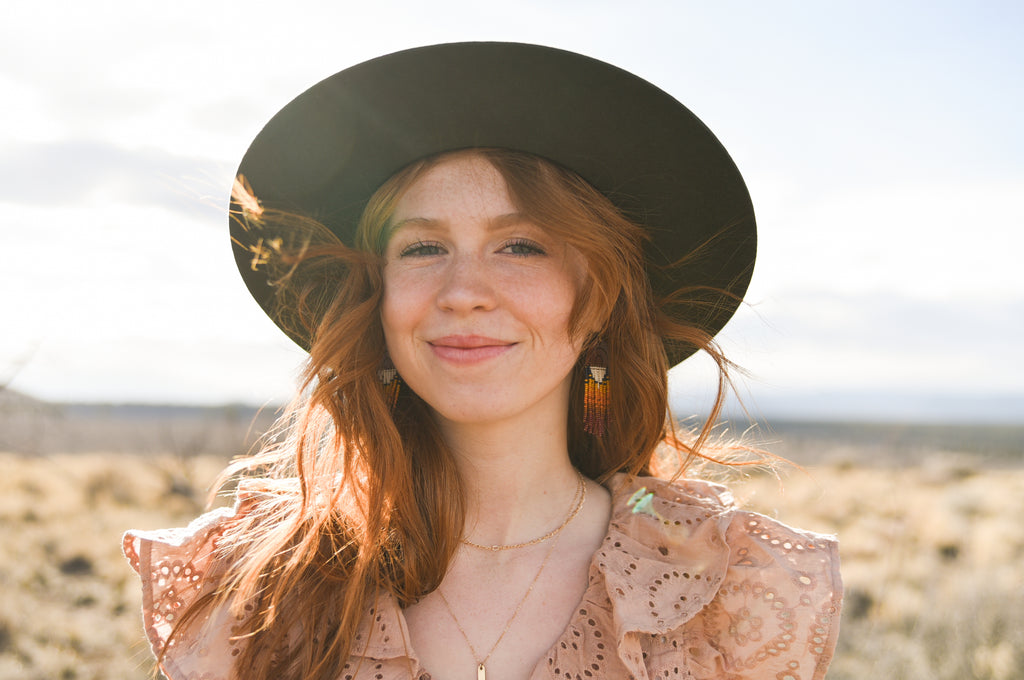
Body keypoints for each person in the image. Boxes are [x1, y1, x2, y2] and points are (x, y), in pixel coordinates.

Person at [124, 43, 842, 680]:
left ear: (596, 303)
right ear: (377, 298)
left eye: (521, 246)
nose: (464, 293)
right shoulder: (253, 584)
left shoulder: (725, 586)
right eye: (422, 248)